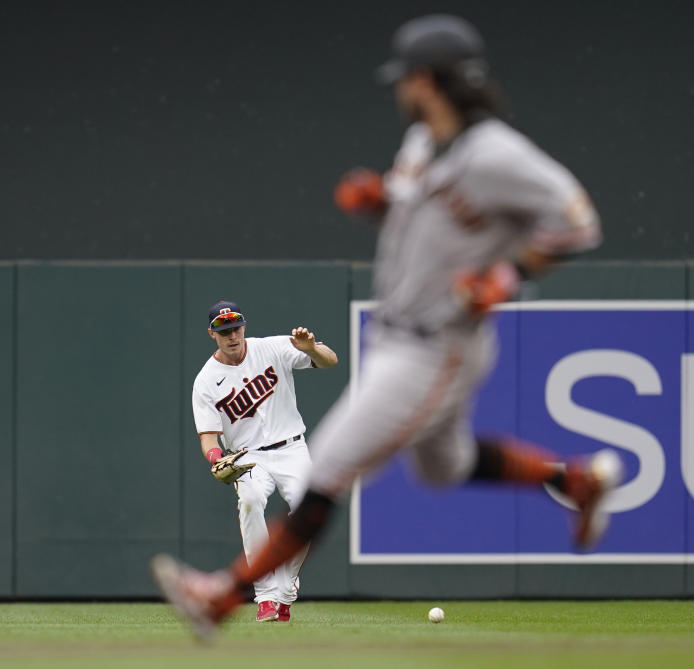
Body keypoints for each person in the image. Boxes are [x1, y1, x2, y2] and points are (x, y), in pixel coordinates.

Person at [152, 15, 622, 638]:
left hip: (435, 345)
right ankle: (575, 480)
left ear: (427, 80)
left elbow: (577, 220)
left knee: (326, 473)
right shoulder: (425, 144)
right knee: (444, 466)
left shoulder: (495, 152)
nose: (400, 91)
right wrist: (380, 204)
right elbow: (424, 226)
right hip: (400, 335)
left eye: (406, 79)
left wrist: (505, 278)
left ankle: (223, 599)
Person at [191, 300, 338, 623]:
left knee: (310, 511)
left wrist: (312, 349)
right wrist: (217, 458)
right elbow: (209, 438)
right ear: (212, 334)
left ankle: (285, 590)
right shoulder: (206, 380)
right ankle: (267, 595)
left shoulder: (270, 347)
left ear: (244, 326)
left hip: (292, 448)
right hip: (247, 456)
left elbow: (330, 361)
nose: (232, 335)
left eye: (236, 328)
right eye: (224, 330)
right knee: (251, 501)